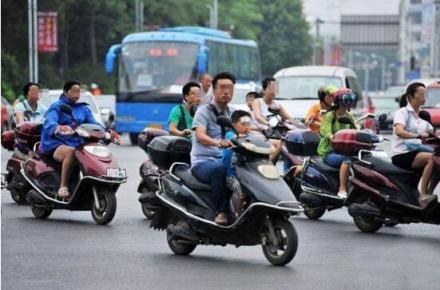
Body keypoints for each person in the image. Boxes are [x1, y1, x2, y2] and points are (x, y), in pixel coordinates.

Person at [40, 80, 119, 199]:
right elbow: (49, 122)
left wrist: (106, 133)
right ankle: (63, 187)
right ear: (66, 92)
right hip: (57, 143)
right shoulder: (57, 107)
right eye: (74, 91)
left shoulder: (83, 108)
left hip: (78, 143)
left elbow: (94, 124)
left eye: (78, 91)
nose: (77, 94)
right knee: (71, 152)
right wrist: (58, 128)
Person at [191, 72, 236, 225]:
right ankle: (221, 211)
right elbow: (200, 136)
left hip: (227, 158)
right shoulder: (203, 111)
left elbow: (246, 130)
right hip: (203, 161)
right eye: (223, 88)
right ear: (214, 90)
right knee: (220, 170)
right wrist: (218, 142)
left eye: (230, 88)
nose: (227, 92)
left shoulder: (233, 112)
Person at [392, 82, 437, 208]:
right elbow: (399, 131)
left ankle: (429, 192)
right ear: (411, 96)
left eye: (425, 94)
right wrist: (417, 136)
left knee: (438, 160)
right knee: (431, 158)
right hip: (401, 154)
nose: (424, 97)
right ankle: (423, 195)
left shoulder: (423, 115)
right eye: (421, 94)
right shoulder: (402, 113)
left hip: (417, 152)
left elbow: (432, 132)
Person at [317, 88, 358, 198]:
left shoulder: (349, 116)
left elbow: (357, 130)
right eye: (346, 99)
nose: (349, 102)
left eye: (351, 99)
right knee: (347, 160)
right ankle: (342, 188)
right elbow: (325, 131)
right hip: (329, 152)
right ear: (339, 100)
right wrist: (332, 137)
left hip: (344, 150)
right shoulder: (330, 115)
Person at [252, 77, 291, 163]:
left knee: (289, 144)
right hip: (259, 134)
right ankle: (267, 167)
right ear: (264, 90)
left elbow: (289, 119)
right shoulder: (257, 102)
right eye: (271, 88)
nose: (273, 91)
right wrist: (268, 123)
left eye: (275, 88)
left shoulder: (277, 105)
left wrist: (301, 126)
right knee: (280, 144)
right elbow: (258, 117)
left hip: (274, 135)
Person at [222, 110, 252, 217]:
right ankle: (238, 217)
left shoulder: (248, 137)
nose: (247, 127)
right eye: (243, 124)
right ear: (234, 124)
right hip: (230, 174)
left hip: (244, 173)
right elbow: (235, 140)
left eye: (248, 124)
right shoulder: (230, 135)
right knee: (240, 192)